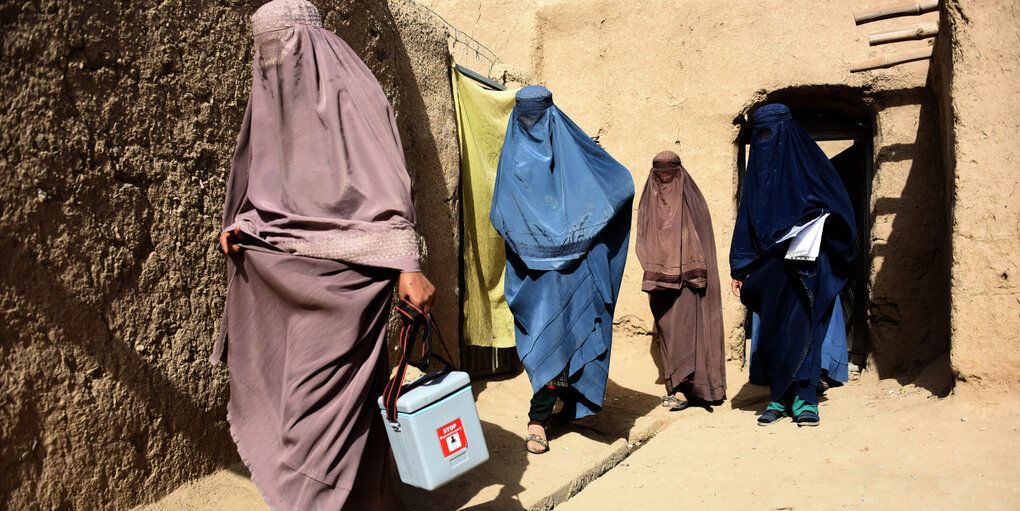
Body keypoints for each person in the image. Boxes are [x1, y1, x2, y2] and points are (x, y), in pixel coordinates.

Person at [212, 1, 434, 508]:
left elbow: (386, 183)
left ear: (305, 43)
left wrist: (409, 264)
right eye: (262, 51)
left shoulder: (349, 90)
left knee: (314, 427)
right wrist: (247, 223)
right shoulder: (273, 97)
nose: (271, 63)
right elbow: (278, 187)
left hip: (351, 286)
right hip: (293, 284)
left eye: (280, 47)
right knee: (342, 415)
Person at [490, 85, 633, 454]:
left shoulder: (572, 150)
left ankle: (560, 409)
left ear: (551, 115)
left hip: (574, 266)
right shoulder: (513, 159)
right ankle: (538, 418)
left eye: (537, 116)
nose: (531, 125)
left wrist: (579, 233)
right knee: (545, 340)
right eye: (524, 116)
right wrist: (533, 242)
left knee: (577, 333)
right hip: (533, 272)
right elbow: (502, 212)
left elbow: (617, 183)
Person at [729, 103, 855, 427]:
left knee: (806, 331)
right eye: (760, 135)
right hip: (770, 271)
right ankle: (779, 398)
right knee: (773, 332)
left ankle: (806, 399)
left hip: (804, 267)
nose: (765, 142)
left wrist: (812, 222)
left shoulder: (810, 166)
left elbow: (838, 207)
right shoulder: (757, 175)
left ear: (785, 132)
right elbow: (747, 222)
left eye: (771, 134)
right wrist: (741, 269)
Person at [635, 151, 726, 410]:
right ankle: (676, 384)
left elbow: (703, 241)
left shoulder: (693, 201)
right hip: (660, 285)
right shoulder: (648, 202)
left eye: (669, 175)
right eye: (659, 176)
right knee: (670, 334)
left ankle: (688, 390)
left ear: (679, 173)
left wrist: (686, 265)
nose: (665, 180)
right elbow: (643, 238)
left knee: (687, 334)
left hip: (689, 284)